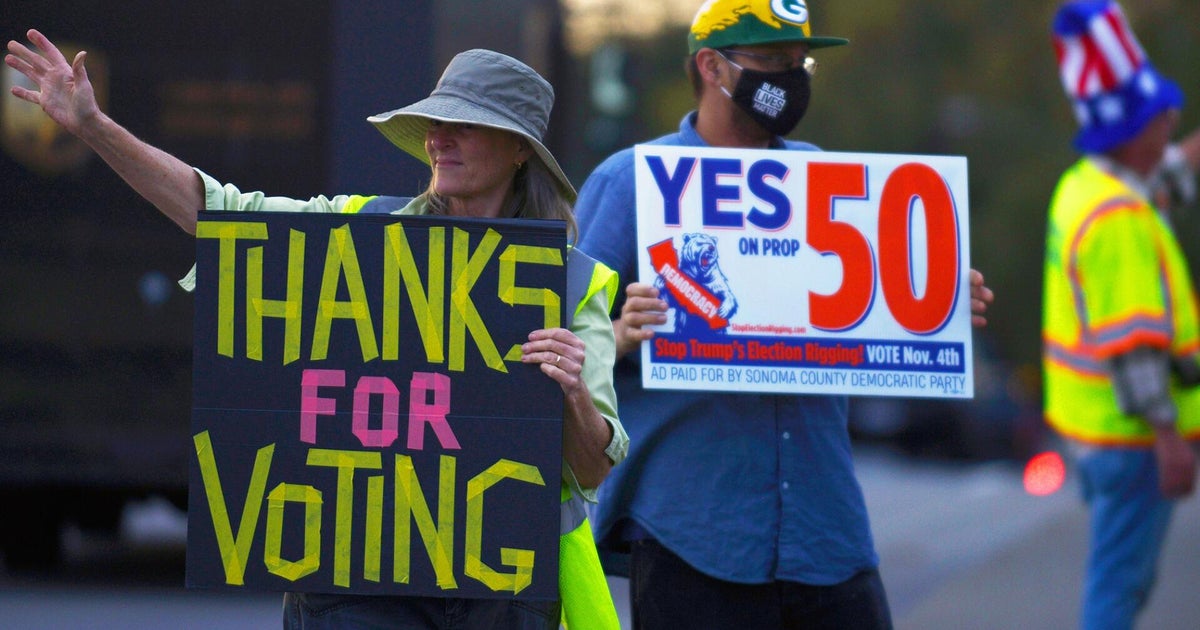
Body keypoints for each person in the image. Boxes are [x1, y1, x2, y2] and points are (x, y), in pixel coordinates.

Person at [7, 30, 628, 630]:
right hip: (356, 584)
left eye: (464, 124)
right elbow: (220, 214)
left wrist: (570, 391)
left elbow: (591, 467)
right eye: (436, 123)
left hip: (501, 592)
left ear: (519, 149)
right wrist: (93, 126)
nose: (440, 139)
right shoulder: (357, 238)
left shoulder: (572, 284)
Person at [572, 1, 994, 628]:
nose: (790, 79)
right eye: (770, 62)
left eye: (800, 64)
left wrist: (936, 300)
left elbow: (870, 311)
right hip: (694, 533)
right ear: (711, 66)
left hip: (826, 533)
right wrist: (619, 336)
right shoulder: (633, 183)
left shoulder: (831, 180)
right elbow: (559, 345)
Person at [1042, 2, 1200, 628]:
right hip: (1132, 440)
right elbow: (1133, 349)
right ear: (1136, 134)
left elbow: (1169, 176)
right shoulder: (1119, 224)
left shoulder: (1089, 187)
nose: (1172, 119)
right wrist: (1170, 442)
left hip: (1095, 433)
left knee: (1118, 579)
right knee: (1118, 591)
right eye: (1162, 116)